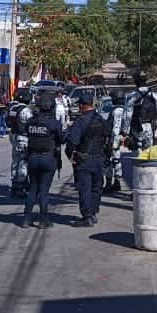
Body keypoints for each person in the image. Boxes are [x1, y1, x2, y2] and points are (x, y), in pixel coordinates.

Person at [65, 95, 110, 227]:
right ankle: (93, 213)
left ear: (83, 105)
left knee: (85, 188)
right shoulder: (101, 119)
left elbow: (72, 142)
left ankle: (87, 216)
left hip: (84, 159)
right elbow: (109, 137)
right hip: (98, 158)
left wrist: (71, 156)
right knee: (96, 188)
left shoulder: (80, 121)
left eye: (80, 105)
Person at [22, 92, 64, 229]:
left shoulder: (30, 122)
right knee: (44, 190)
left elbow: (27, 132)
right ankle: (43, 220)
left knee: (33, 189)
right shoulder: (54, 123)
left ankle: (26, 219)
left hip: (32, 157)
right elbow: (61, 139)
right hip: (47, 158)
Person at [7, 88, 35, 197]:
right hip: (23, 138)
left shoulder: (14, 108)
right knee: (23, 163)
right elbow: (31, 123)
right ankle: (20, 186)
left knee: (15, 162)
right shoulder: (25, 111)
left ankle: (14, 183)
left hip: (14, 137)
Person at [104, 89, 127, 193]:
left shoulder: (116, 111)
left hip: (114, 138)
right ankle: (117, 181)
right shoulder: (125, 110)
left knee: (108, 161)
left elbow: (113, 127)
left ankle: (109, 184)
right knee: (117, 161)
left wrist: (110, 140)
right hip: (121, 137)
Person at [127, 73, 157, 151]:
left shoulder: (132, 96)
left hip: (137, 126)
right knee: (148, 150)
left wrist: (126, 130)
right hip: (149, 125)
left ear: (136, 82)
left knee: (138, 149)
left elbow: (128, 114)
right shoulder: (153, 95)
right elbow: (156, 111)